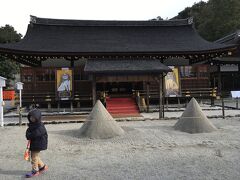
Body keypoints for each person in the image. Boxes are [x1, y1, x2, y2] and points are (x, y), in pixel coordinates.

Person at [25, 108, 48, 178]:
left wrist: (29, 135)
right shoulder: (32, 125)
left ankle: (35, 170)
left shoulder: (40, 126)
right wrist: (28, 134)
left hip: (39, 144)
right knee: (36, 156)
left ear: (37, 118)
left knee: (34, 157)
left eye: (33, 117)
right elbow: (28, 133)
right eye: (31, 117)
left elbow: (35, 134)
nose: (32, 119)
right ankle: (42, 166)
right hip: (35, 143)